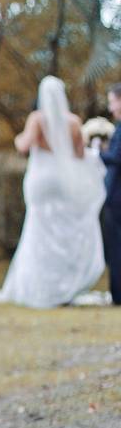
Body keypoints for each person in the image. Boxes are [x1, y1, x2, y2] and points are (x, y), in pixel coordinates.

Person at [0, 76, 106, 308]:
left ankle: (37, 288)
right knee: (62, 231)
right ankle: (63, 286)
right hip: (63, 182)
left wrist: (19, 138)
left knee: (37, 232)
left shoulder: (37, 119)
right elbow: (79, 155)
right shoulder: (74, 122)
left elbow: (24, 145)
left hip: (41, 181)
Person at [101, 83, 121, 305]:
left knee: (116, 246)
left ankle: (118, 295)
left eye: (112, 101)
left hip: (117, 197)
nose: (110, 107)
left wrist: (97, 152)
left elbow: (117, 156)